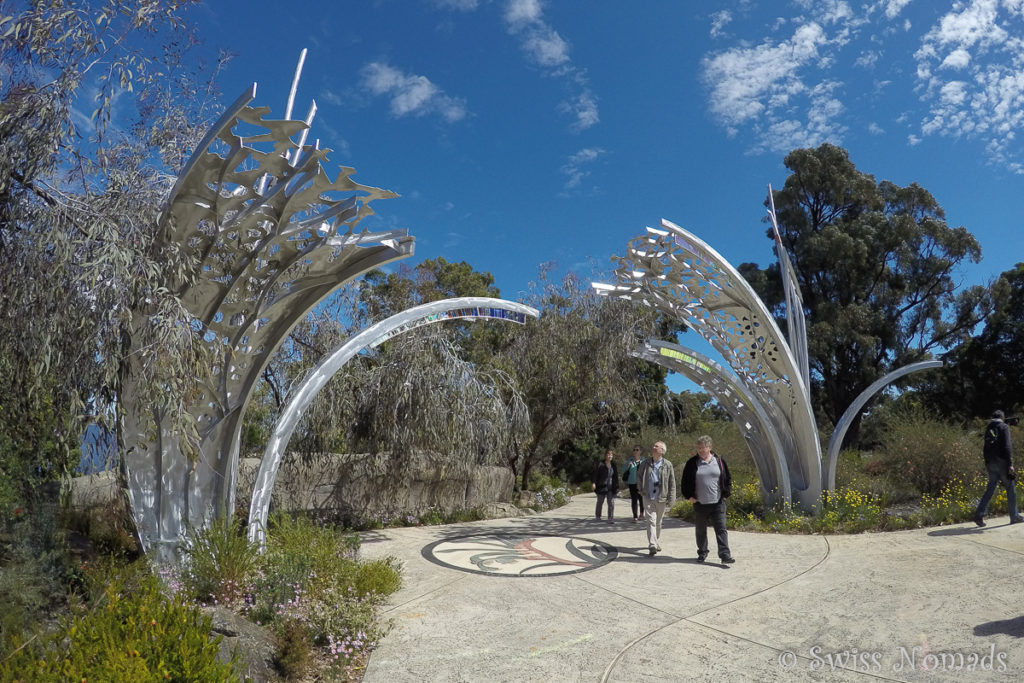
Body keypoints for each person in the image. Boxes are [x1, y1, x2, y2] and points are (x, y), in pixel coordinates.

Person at [681, 435, 735, 564]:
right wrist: (689, 496)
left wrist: (726, 494)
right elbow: (685, 481)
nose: (700, 450)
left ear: (709, 447)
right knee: (700, 530)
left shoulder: (719, 461)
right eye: (698, 448)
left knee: (721, 529)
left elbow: (728, 478)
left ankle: (725, 555)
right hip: (700, 503)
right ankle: (702, 553)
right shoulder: (692, 463)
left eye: (703, 448)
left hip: (718, 503)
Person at [974, 410, 1023, 526]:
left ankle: (979, 514)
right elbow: (1007, 446)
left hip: (991, 462)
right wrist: (1010, 463)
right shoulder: (1003, 427)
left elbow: (985, 447)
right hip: (1002, 462)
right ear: (1002, 417)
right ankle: (1014, 516)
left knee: (990, 488)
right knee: (1010, 488)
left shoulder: (989, 428)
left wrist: (987, 462)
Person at [636, 441, 675, 555]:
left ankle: (655, 541)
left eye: (656, 446)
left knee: (658, 522)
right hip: (648, 496)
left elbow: (672, 483)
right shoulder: (645, 463)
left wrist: (671, 499)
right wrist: (640, 489)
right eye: (653, 446)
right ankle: (652, 544)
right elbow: (639, 476)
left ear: (662, 451)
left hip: (661, 497)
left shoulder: (668, 464)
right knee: (650, 521)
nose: (653, 447)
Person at [591, 449, 619, 523]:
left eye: (611, 455)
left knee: (611, 502)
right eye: (608, 454)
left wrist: (616, 486)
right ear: (605, 455)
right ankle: (598, 516)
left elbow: (615, 476)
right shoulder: (600, 464)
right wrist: (594, 483)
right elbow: (595, 474)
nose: (610, 456)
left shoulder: (613, 465)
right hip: (601, 486)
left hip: (611, 487)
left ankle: (610, 518)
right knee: (600, 502)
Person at [622, 445, 645, 522]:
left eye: (637, 450)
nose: (635, 451)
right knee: (634, 499)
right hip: (632, 482)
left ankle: (641, 514)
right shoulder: (630, 460)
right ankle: (635, 516)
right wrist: (628, 466)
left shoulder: (644, 460)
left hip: (641, 483)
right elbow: (623, 469)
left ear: (640, 451)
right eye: (634, 450)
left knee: (641, 499)